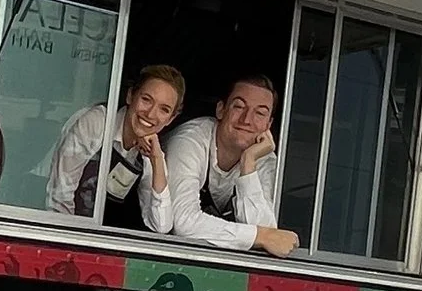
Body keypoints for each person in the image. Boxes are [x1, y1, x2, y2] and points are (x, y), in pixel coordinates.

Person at [164, 73, 300, 257]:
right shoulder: (189, 140)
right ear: (221, 109)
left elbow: (268, 237)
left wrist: (248, 162)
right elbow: (183, 223)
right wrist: (260, 236)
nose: (246, 119)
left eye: (260, 113)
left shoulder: (262, 156)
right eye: (239, 106)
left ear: (268, 124)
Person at [47, 62, 185, 231]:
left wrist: (157, 160)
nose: (150, 114)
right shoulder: (97, 123)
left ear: (170, 119)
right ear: (130, 96)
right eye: (146, 100)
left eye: (164, 110)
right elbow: (59, 197)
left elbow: (161, 225)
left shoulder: (151, 151)